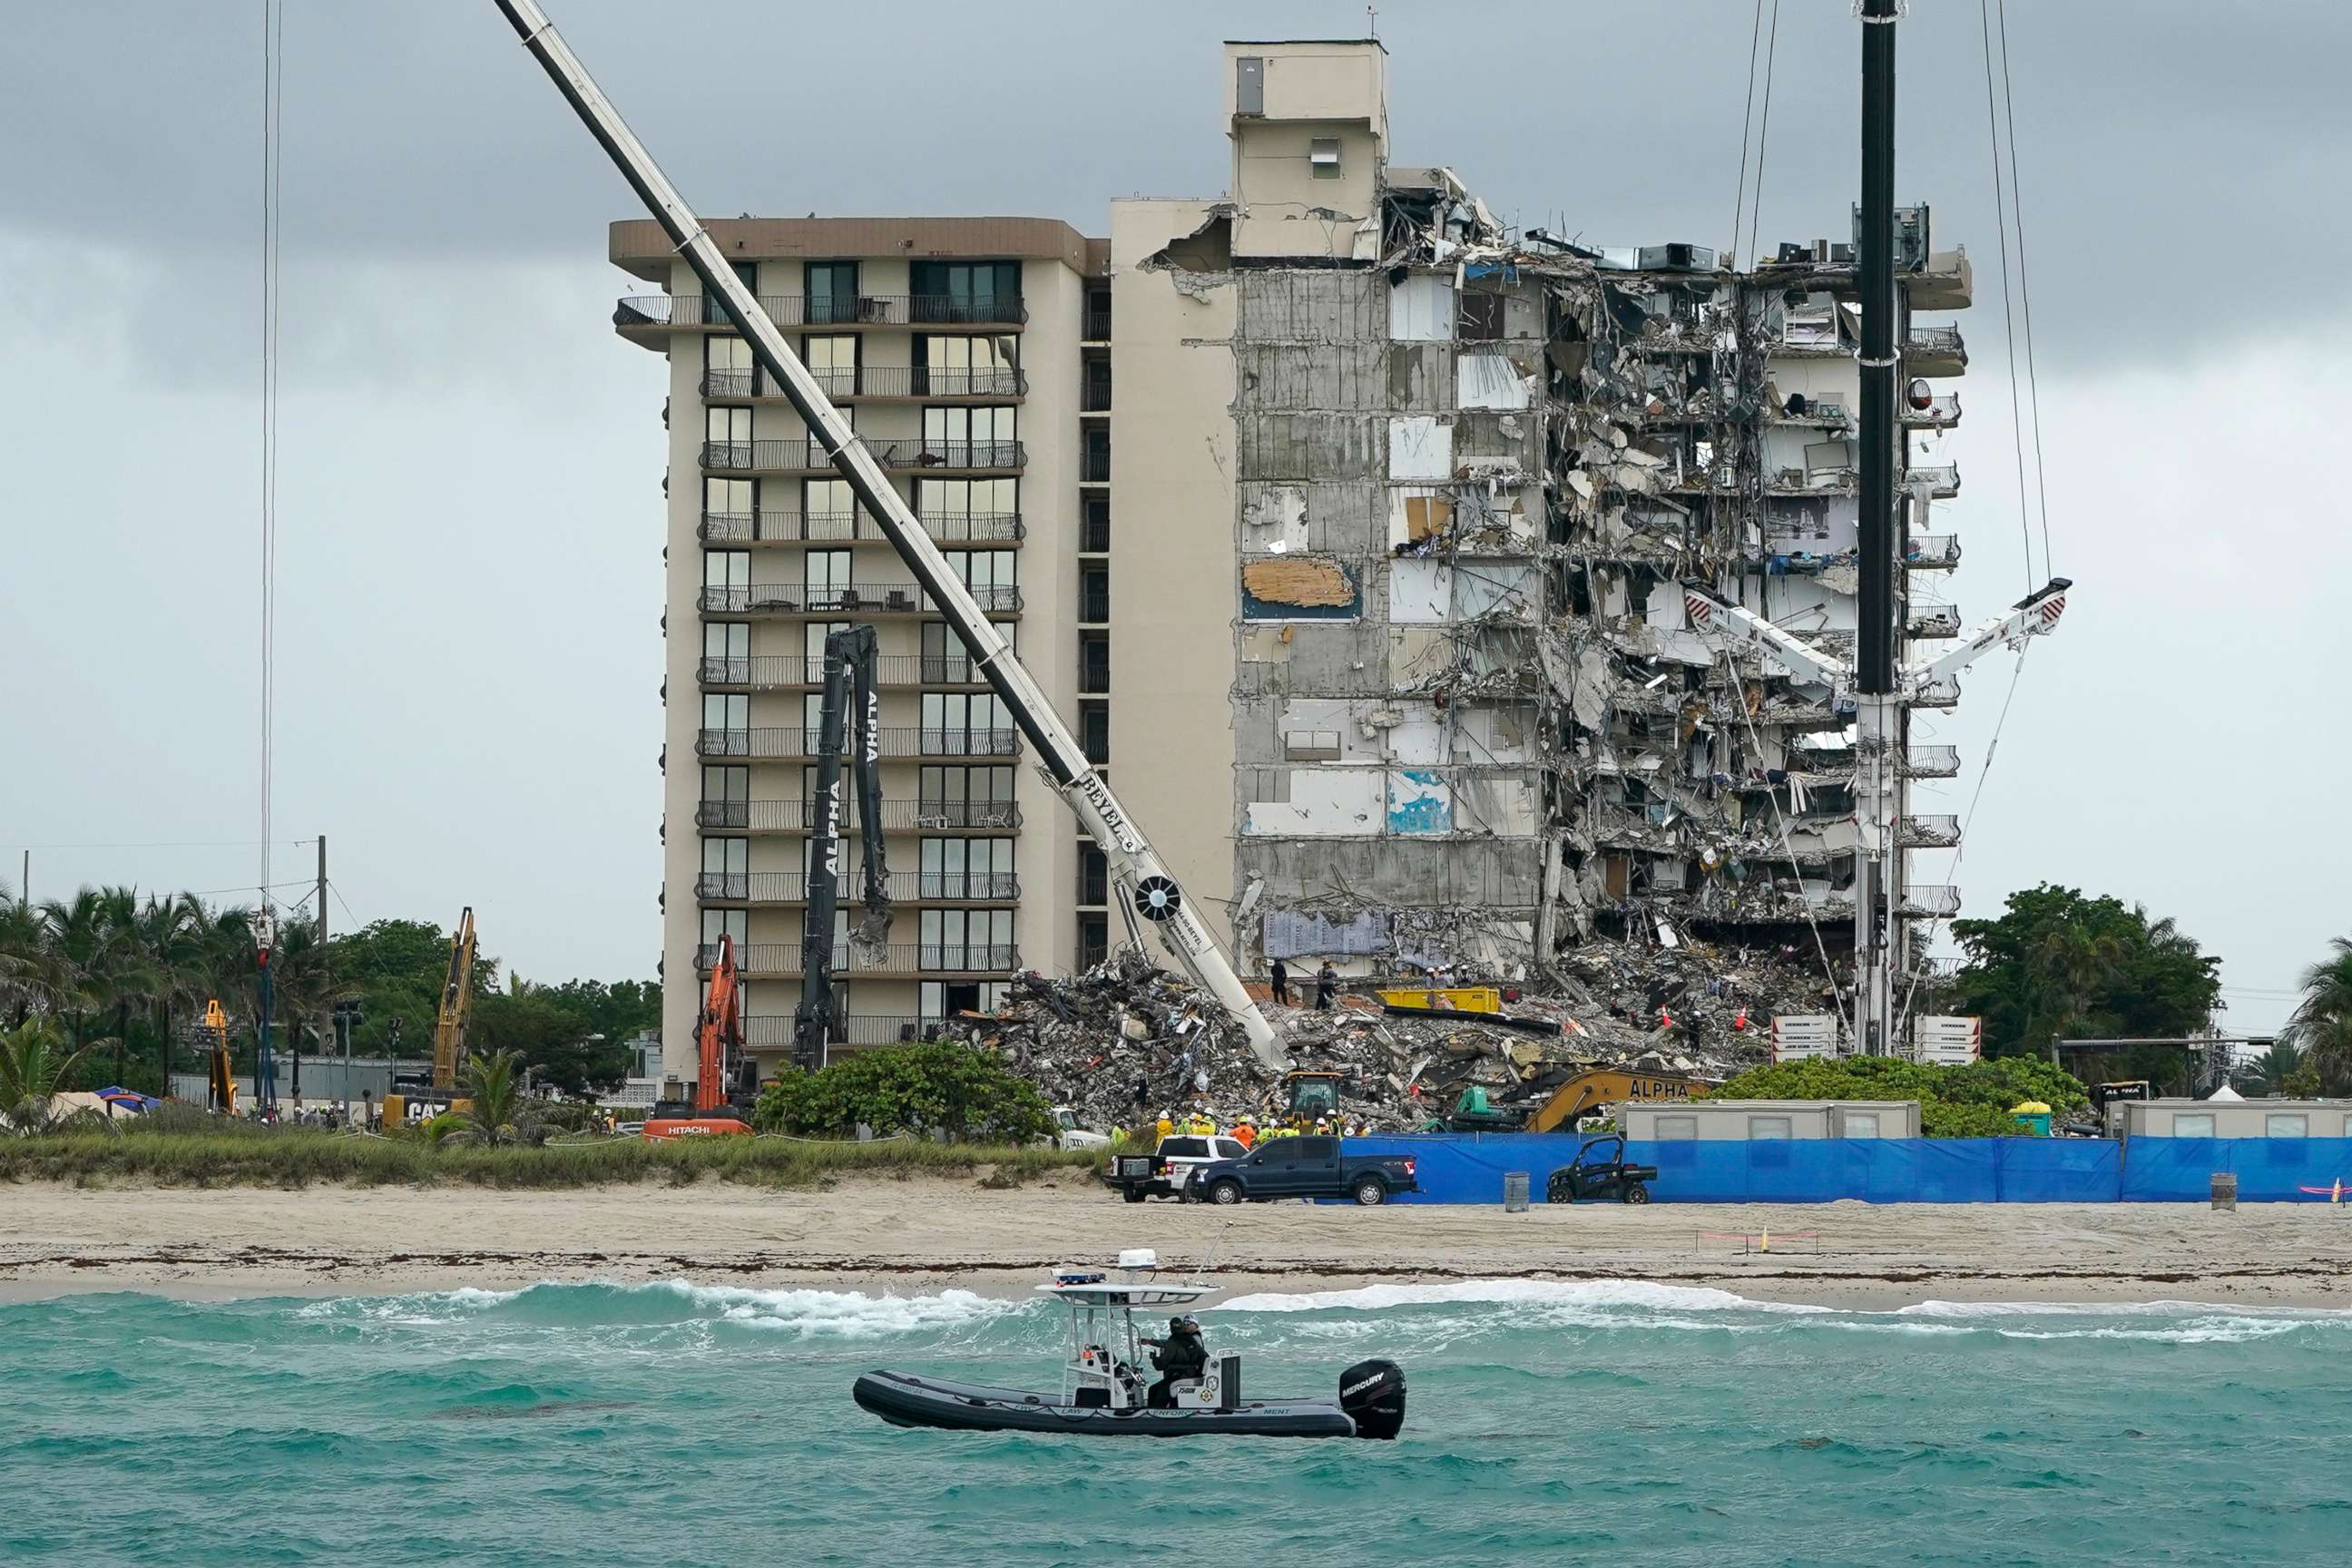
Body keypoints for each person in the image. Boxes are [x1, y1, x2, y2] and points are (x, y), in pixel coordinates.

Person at [1142, 1314, 1208, 1409]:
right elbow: (1170, 1344)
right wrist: (1152, 1342)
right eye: (1184, 1323)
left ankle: (1156, 1415)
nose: (1186, 1325)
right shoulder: (1188, 1338)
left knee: (1156, 1391)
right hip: (1187, 1373)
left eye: (1188, 1323)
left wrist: (1155, 1359)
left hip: (1183, 1375)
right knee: (1157, 1389)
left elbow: (1161, 1364)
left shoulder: (1191, 1339)